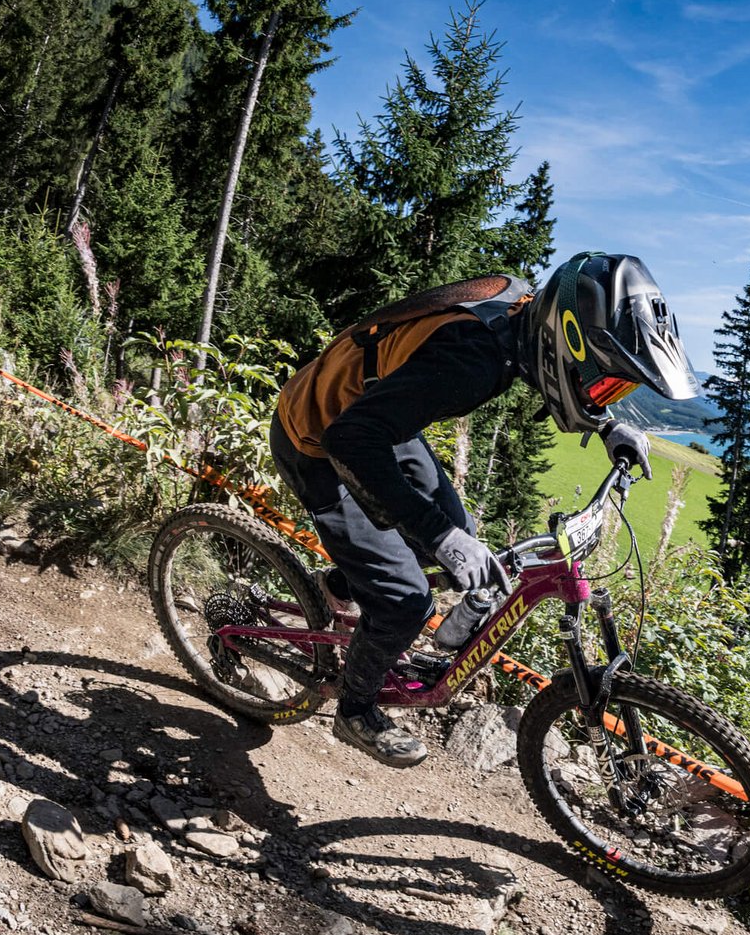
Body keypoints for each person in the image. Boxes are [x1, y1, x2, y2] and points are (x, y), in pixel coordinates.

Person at [269, 252, 696, 767]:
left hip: (377, 414)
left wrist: (605, 425)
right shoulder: (470, 363)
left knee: (459, 535)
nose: (599, 395)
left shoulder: (518, 305)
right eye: (606, 384)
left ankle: (345, 586)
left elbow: (542, 362)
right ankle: (355, 709)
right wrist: (440, 537)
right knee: (408, 598)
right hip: (319, 435)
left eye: (614, 390)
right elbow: (349, 442)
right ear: (566, 340)